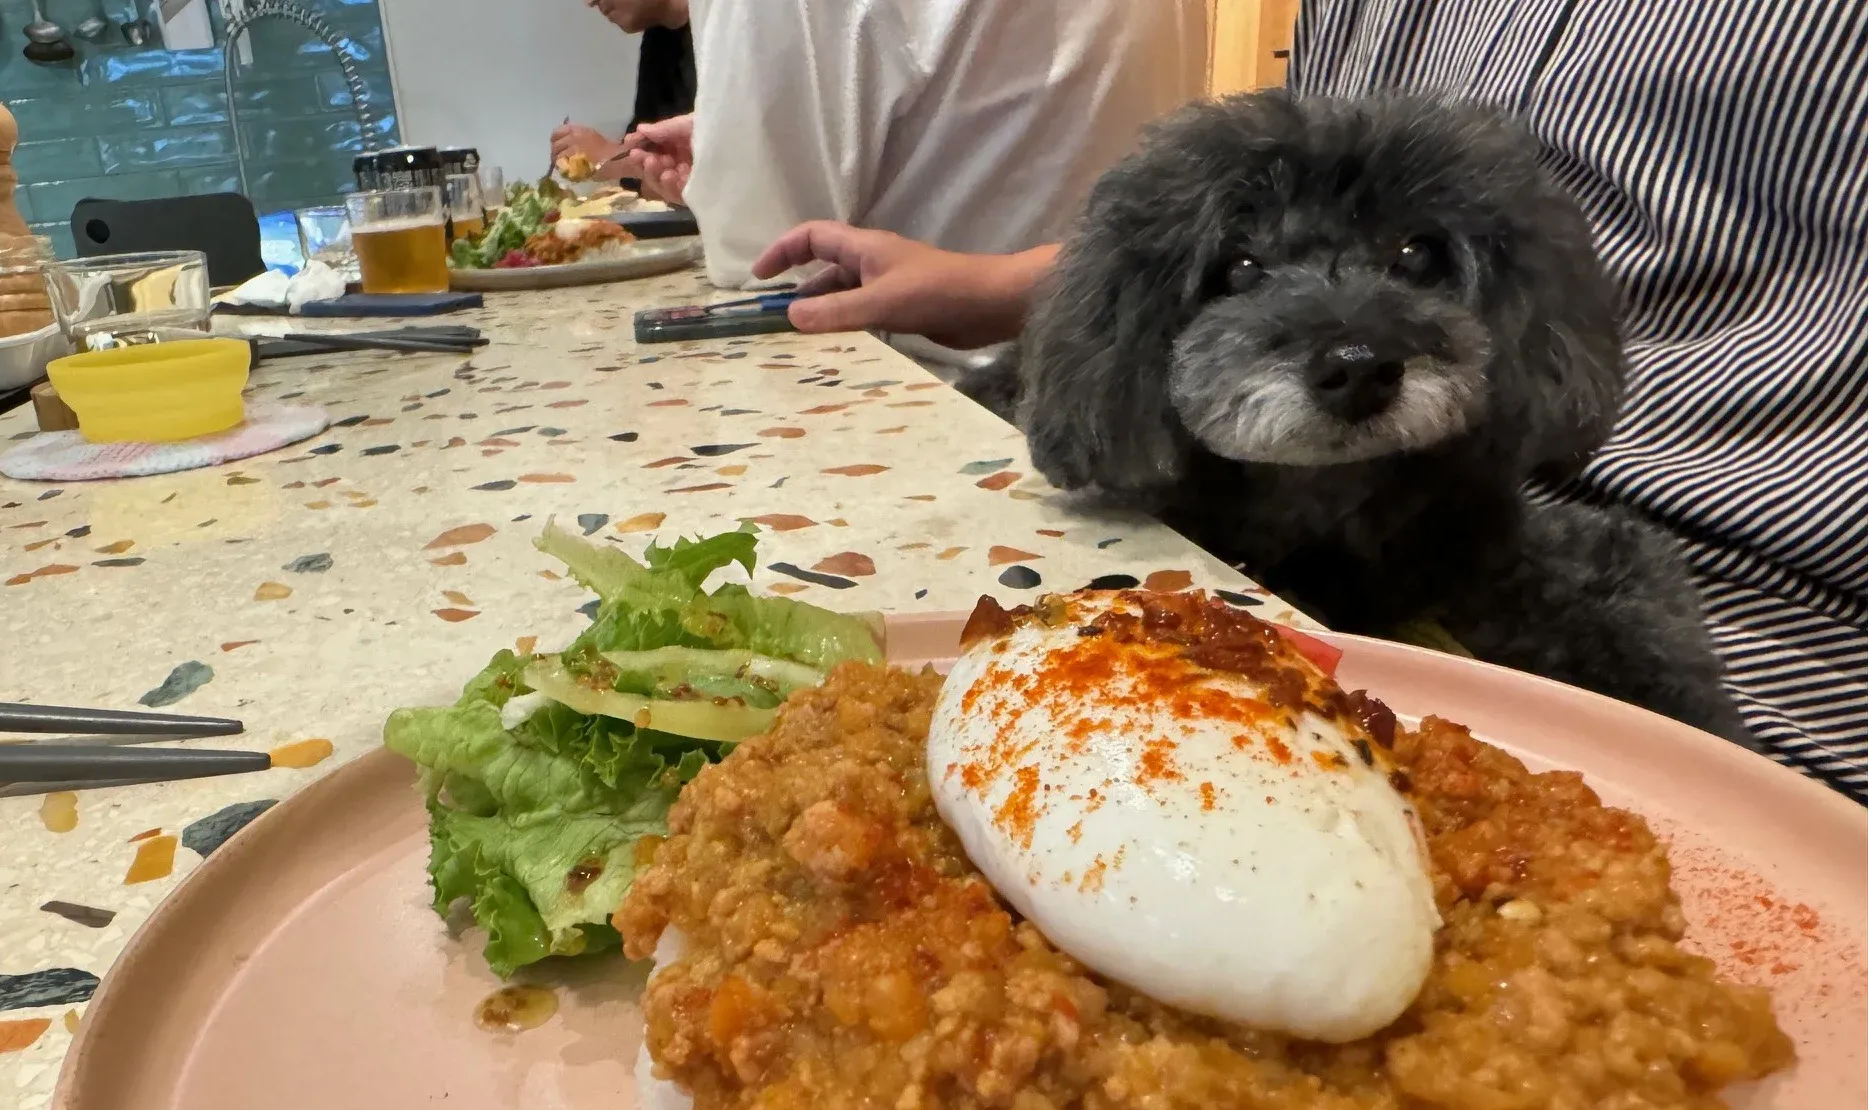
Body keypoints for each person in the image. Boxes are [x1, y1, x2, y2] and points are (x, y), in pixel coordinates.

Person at [753, 3, 1868, 805]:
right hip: (1251, 546)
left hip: (1752, 591)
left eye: (1417, 255)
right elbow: (1271, 188)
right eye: (1245, 278)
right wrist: (1001, 287)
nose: (1344, 345)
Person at [620, 0, 1207, 288]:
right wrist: (733, 141)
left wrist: (736, 165)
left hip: (937, 408)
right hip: (1149, 399)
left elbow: (764, 262)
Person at [549, 0, 696, 178]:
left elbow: (724, 170)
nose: (590, 2)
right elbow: (650, 161)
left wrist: (610, 159)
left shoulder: (730, 30)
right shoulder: (658, 37)